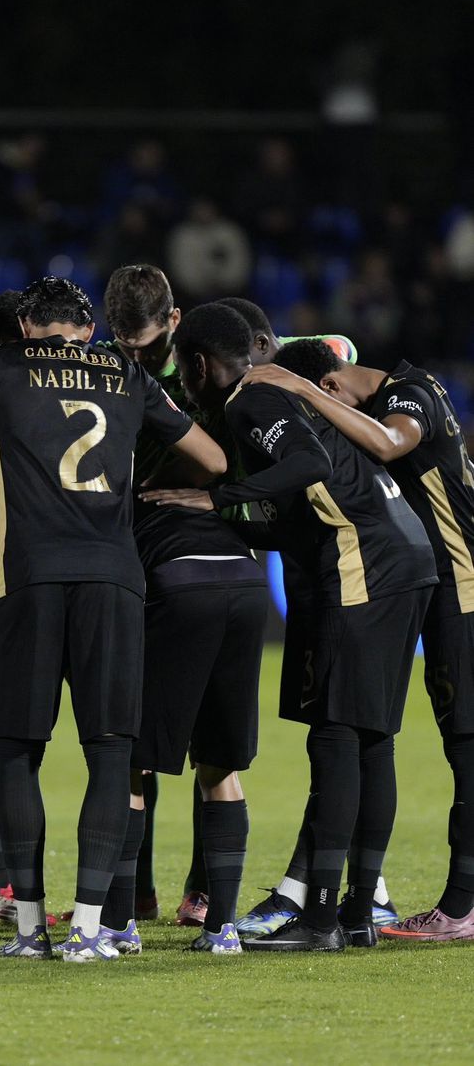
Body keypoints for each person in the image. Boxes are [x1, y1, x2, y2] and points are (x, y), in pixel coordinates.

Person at [0, 276, 226, 962]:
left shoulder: (0, 365)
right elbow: (212, 457)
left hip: (25, 579)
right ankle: (90, 928)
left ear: (28, 326)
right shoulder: (124, 372)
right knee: (110, 753)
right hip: (113, 581)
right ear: (88, 330)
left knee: (14, 750)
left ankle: (31, 926)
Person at [144, 303, 437, 952]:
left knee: (336, 740)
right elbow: (297, 516)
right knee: (371, 741)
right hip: (404, 554)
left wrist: (218, 498)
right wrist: (224, 521)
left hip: (362, 565)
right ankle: (359, 912)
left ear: (196, 366)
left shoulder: (251, 399)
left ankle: (321, 917)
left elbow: (311, 468)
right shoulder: (279, 396)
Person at [244, 340, 474, 941]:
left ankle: (461, 905)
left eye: (323, 403)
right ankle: (387, 900)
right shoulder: (405, 389)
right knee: (402, 739)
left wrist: (296, 392)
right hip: (433, 584)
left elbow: (391, 442)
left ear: (331, 385)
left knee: (464, 747)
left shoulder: (408, 392)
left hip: (464, 585)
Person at [99, 265, 268, 956]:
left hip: (175, 576)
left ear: (175, 324)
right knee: (219, 765)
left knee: (136, 761)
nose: (138, 359)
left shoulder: (135, 389)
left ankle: (115, 924)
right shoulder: (225, 387)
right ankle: (221, 925)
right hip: (247, 577)